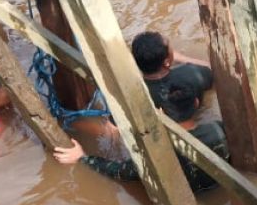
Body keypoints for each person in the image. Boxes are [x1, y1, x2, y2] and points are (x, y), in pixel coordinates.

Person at [53, 31, 227, 191]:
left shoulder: (155, 156)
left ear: (161, 113)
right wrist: (181, 58)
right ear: (196, 103)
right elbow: (216, 73)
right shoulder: (220, 130)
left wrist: (82, 156)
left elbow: (117, 170)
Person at [130, 31, 213, 122]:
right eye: (171, 49)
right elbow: (212, 70)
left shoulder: (138, 94)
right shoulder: (192, 73)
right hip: (196, 118)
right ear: (166, 61)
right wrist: (182, 58)